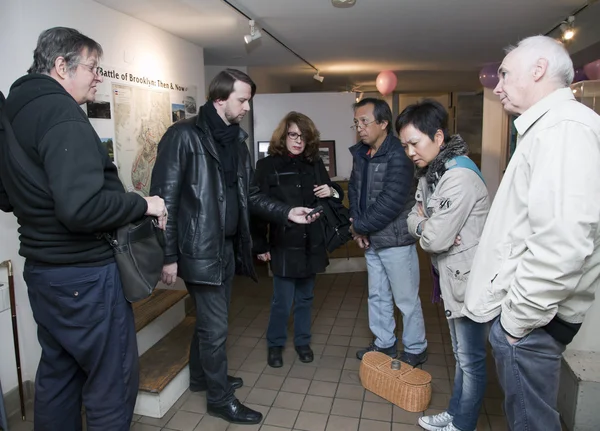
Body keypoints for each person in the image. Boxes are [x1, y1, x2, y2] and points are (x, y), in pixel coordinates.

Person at [0, 27, 167, 431]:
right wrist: (144, 203)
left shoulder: (15, 111)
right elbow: (81, 209)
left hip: (44, 274)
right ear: (61, 66)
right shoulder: (61, 114)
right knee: (111, 386)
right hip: (86, 278)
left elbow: (7, 198)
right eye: (93, 67)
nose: (99, 76)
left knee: (59, 379)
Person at [149, 69, 319, 425]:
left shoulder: (236, 142)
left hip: (226, 248)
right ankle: (220, 398)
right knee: (216, 328)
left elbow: (250, 196)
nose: (246, 107)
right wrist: (168, 256)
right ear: (219, 99)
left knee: (210, 325)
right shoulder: (182, 136)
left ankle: (201, 378)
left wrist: (288, 212)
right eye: (242, 100)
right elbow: (165, 202)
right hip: (197, 250)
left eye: (248, 101)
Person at [463, 35, 600, 431]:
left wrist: (514, 323)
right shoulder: (551, 129)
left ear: (538, 70)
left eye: (505, 74)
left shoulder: (565, 130)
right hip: (534, 320)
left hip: (532, 323)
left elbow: (562, 242)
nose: (498, 84)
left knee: (532, 424)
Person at [399, 100, 490, 431]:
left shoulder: (458, 177)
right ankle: (455, 413)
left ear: (438, 137)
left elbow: (434, 238)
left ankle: (462, 424)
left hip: (469, 281)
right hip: (451, 278)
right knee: (461, 357)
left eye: (414, 143)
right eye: (405, 145)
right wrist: (426, 226)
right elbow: (414, 217)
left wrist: (427, 227)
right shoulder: (431, 173)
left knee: (471, 360)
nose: (410, 152)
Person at [252, 111, 344, 369]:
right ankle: (275, 345)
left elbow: (333, 197)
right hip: (283, 242)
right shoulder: (267, 166)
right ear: (283, 136)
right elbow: (257, 208)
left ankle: (303, 342)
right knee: (282, 300)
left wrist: (332, 191)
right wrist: (259, 245)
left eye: (303, 136)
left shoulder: (314, 164)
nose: (298, 141)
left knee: (306, 298)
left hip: (312, 242)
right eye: (293, 135)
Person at [348, 97, 428, 366]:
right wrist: (359, 227)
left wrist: (358, 227)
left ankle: (416, 348)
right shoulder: (362, 152)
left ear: (383, 123)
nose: (359, 127)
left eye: (364, 121)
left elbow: (391, 202)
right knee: (378, 295)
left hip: (395, 240)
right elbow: (355, 191)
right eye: (356, 122)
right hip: (371, 238)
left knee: (406, 299)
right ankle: (384, 344)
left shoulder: (399, 154)